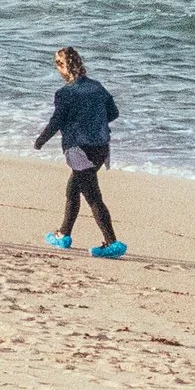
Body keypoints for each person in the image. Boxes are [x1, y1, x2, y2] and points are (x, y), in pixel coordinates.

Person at [34, 44, 124, 257]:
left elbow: (56, 122)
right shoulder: (97, 87)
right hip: (101, 147)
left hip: (79, 150)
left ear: (61, 66)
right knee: (73, 189)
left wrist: (40, 140)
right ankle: (63, 235)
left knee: (92, 196)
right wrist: (93, 120)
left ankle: (113, 243)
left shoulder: (65, 93)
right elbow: (113, 113)